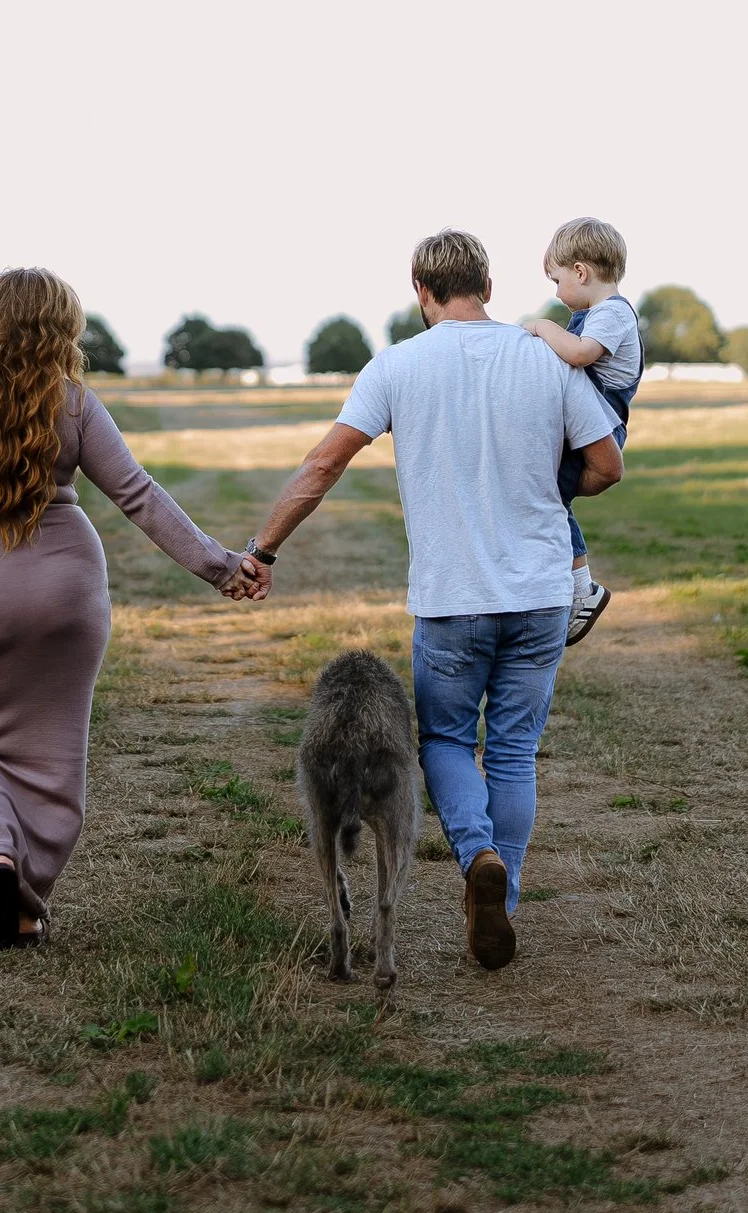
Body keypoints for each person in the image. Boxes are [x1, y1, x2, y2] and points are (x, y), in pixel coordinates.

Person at [238, 231, 621, 970]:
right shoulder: (542, 356)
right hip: (540, 592)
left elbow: (323, 465)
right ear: (486, 284)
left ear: (422, 290)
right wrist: (546, 490)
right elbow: (607, 465)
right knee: (512, 749)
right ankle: (498, 898)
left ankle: (476, 853)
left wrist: (262, 550)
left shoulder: (398, 365)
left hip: (453, 600)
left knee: (446, 741)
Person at [0, 270, 266, 952]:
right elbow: (139, 494)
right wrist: (221, 565)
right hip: (61, 595)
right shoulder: (73, 403)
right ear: (59, 331)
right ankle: (22, 897)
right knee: (51, 755)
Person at [518, 217, 642, 645]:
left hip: (601, 428)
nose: (556, 292)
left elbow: (581, 354)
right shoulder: (598, 313)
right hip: (584, 425)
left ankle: (581, 589)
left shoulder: (612, 314)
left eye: (556, 280)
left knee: (551, 494)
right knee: (548, 490)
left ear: (581, 272)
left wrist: (542, 327)